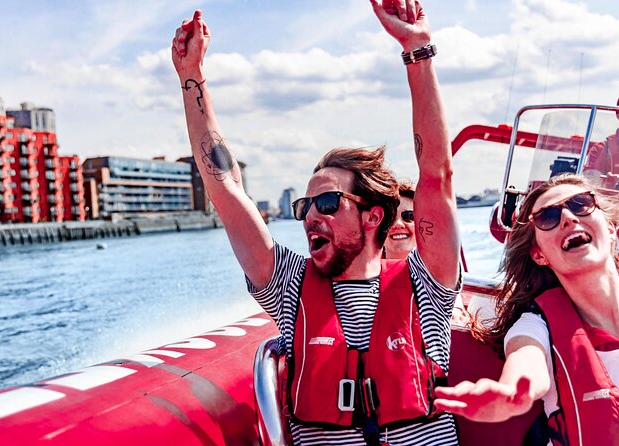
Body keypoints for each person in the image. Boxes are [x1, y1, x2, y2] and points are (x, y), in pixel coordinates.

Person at [171, 1, 461, 444]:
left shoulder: (427, 284)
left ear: (373, 215)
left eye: (327, 202)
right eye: (304, 206)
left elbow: (436, 174)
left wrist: (417, 49)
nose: (311, 216)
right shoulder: (289, 286)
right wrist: (191, 76)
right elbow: (226, 190)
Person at [434, 174, 619, 445]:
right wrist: (511, 392)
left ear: (611, 227)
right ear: (539, 255)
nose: (568, 217)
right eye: (547, 217)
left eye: (580, 204)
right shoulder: (536, 325)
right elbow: (526, 361)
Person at [384, 182, 468, 326]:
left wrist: (456, 307)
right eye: (389, 217)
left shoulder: (441, 273)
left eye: (409, 216)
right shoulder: (363, 276)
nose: (397, 224)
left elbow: (449, 294)